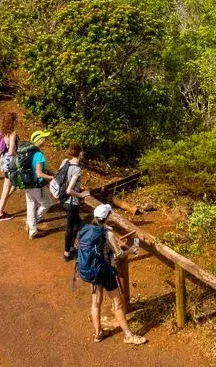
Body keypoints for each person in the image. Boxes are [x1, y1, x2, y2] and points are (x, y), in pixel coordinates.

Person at [77, 203, 146, 345]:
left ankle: (98, 333)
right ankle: (128, 335)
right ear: (107, 216)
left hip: (90, 270)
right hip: (104, 271)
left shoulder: (86, 228)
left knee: (96, 303)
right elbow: (119, 254)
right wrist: (132, 250)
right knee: (118, 303)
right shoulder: (107, 232)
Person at [53, 143, 89, 262]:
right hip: (71, 203)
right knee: (70, 226)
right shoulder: (77, 169)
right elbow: (69, 190)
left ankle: (71, 248)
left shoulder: (65, 162)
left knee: (77, 222)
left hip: (62, 200)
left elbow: (61, 179)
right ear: (80, 153)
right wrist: (81, 194)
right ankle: (67, 253)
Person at [22, 130, 57, 239]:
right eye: (43, 138)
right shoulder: (38, 155)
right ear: (39, 141)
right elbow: (39, 173)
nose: (45, 140)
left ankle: (32, 229)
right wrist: (52, 178)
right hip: (36, 185)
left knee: (31, 205)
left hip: (26, 184)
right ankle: (31, 226)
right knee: (47, 204)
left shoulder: (27, 152)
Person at [0, 113, 19, 221]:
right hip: (11, 162)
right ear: (13, 122)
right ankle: (0, 213)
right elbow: (11, 151)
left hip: (3, 160)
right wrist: (19, 154)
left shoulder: (2, 132)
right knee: (8, 186)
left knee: (13, 185)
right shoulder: (12, 133)